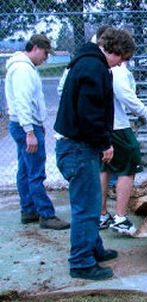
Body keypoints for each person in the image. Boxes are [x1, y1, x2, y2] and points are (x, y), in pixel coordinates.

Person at [54, 27, 136, 280]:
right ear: (114, 49)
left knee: (89, 204)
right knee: (87, 208)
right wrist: (105, 144)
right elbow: (89, 113)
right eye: (121, 58)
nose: (120, 64)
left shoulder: (90, 62)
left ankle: (93, 248)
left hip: (79, 145)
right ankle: (80, 263)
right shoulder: (92, 67)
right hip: (78, 148)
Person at [5, 34, 70, 230]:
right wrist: (30, 131)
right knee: (35, 173)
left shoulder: (23, 67)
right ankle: (46, 214)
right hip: (26, 126)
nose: (46, 58)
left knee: (25, 170)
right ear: (34, 48)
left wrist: (34, 125)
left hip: (24, 125)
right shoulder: (23, 69)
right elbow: (23, 102)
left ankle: (28, 209)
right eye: (44, 53)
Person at [99, 58, 147, 234]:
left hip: (100, 125)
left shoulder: (92, 63)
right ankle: (120, 217)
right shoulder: (117, 67)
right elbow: (124, 93)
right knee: (129, 167)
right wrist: (143, 112)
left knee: (104, 166)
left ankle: (102, 214)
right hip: (117, 125)